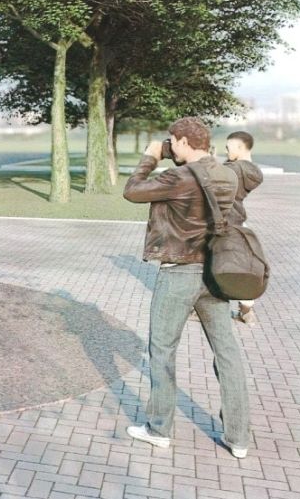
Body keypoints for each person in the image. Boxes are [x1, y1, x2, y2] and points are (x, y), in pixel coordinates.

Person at [123, 117, 250, 459]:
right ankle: (238, 437)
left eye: (172, 141)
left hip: (179, 272)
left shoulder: (178, 177)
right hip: (215, 274)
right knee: (227, 353)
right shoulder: (227, 174)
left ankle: (158, 429)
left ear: (182, 141)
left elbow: (132, 191)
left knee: (163, 349)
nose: (169, 145)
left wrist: (150, 157)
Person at [224, 131, 264, 326]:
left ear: (240, 147)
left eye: (228, 147)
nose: (226, 151)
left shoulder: (232, 170)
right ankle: (246, 310)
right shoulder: (253, 171)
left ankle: (203, 308)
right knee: (242, 265)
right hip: (239, 221)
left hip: (226, 221)